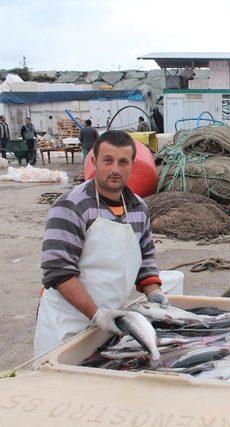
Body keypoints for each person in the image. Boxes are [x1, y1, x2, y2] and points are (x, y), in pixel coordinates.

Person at [34, 130, 169, 356]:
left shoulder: (139, 209)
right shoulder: (70, 206)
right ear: (94, 161)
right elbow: (58, 272)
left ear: (132, 165)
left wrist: (153, 293)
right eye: (108, 160)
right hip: (66, 323)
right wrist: (97, 314)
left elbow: (145, 259)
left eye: (123, 162)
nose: (115, 169)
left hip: (112, 322)